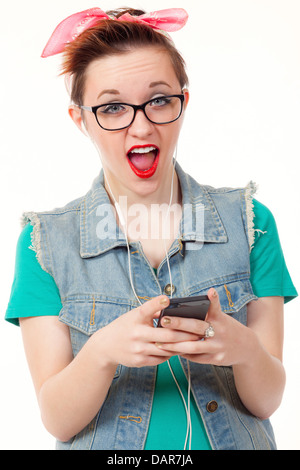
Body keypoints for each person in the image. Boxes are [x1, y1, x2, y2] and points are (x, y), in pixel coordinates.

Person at [5, 7, 297, 451]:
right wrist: (103, 352)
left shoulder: (251, 222)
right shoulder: (45, 244)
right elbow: (57, 420)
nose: (141, 126)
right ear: (81, 119)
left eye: (159, 100)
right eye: (113, 107)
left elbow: (267, 400)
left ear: (183, 102)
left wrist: (244, 350)